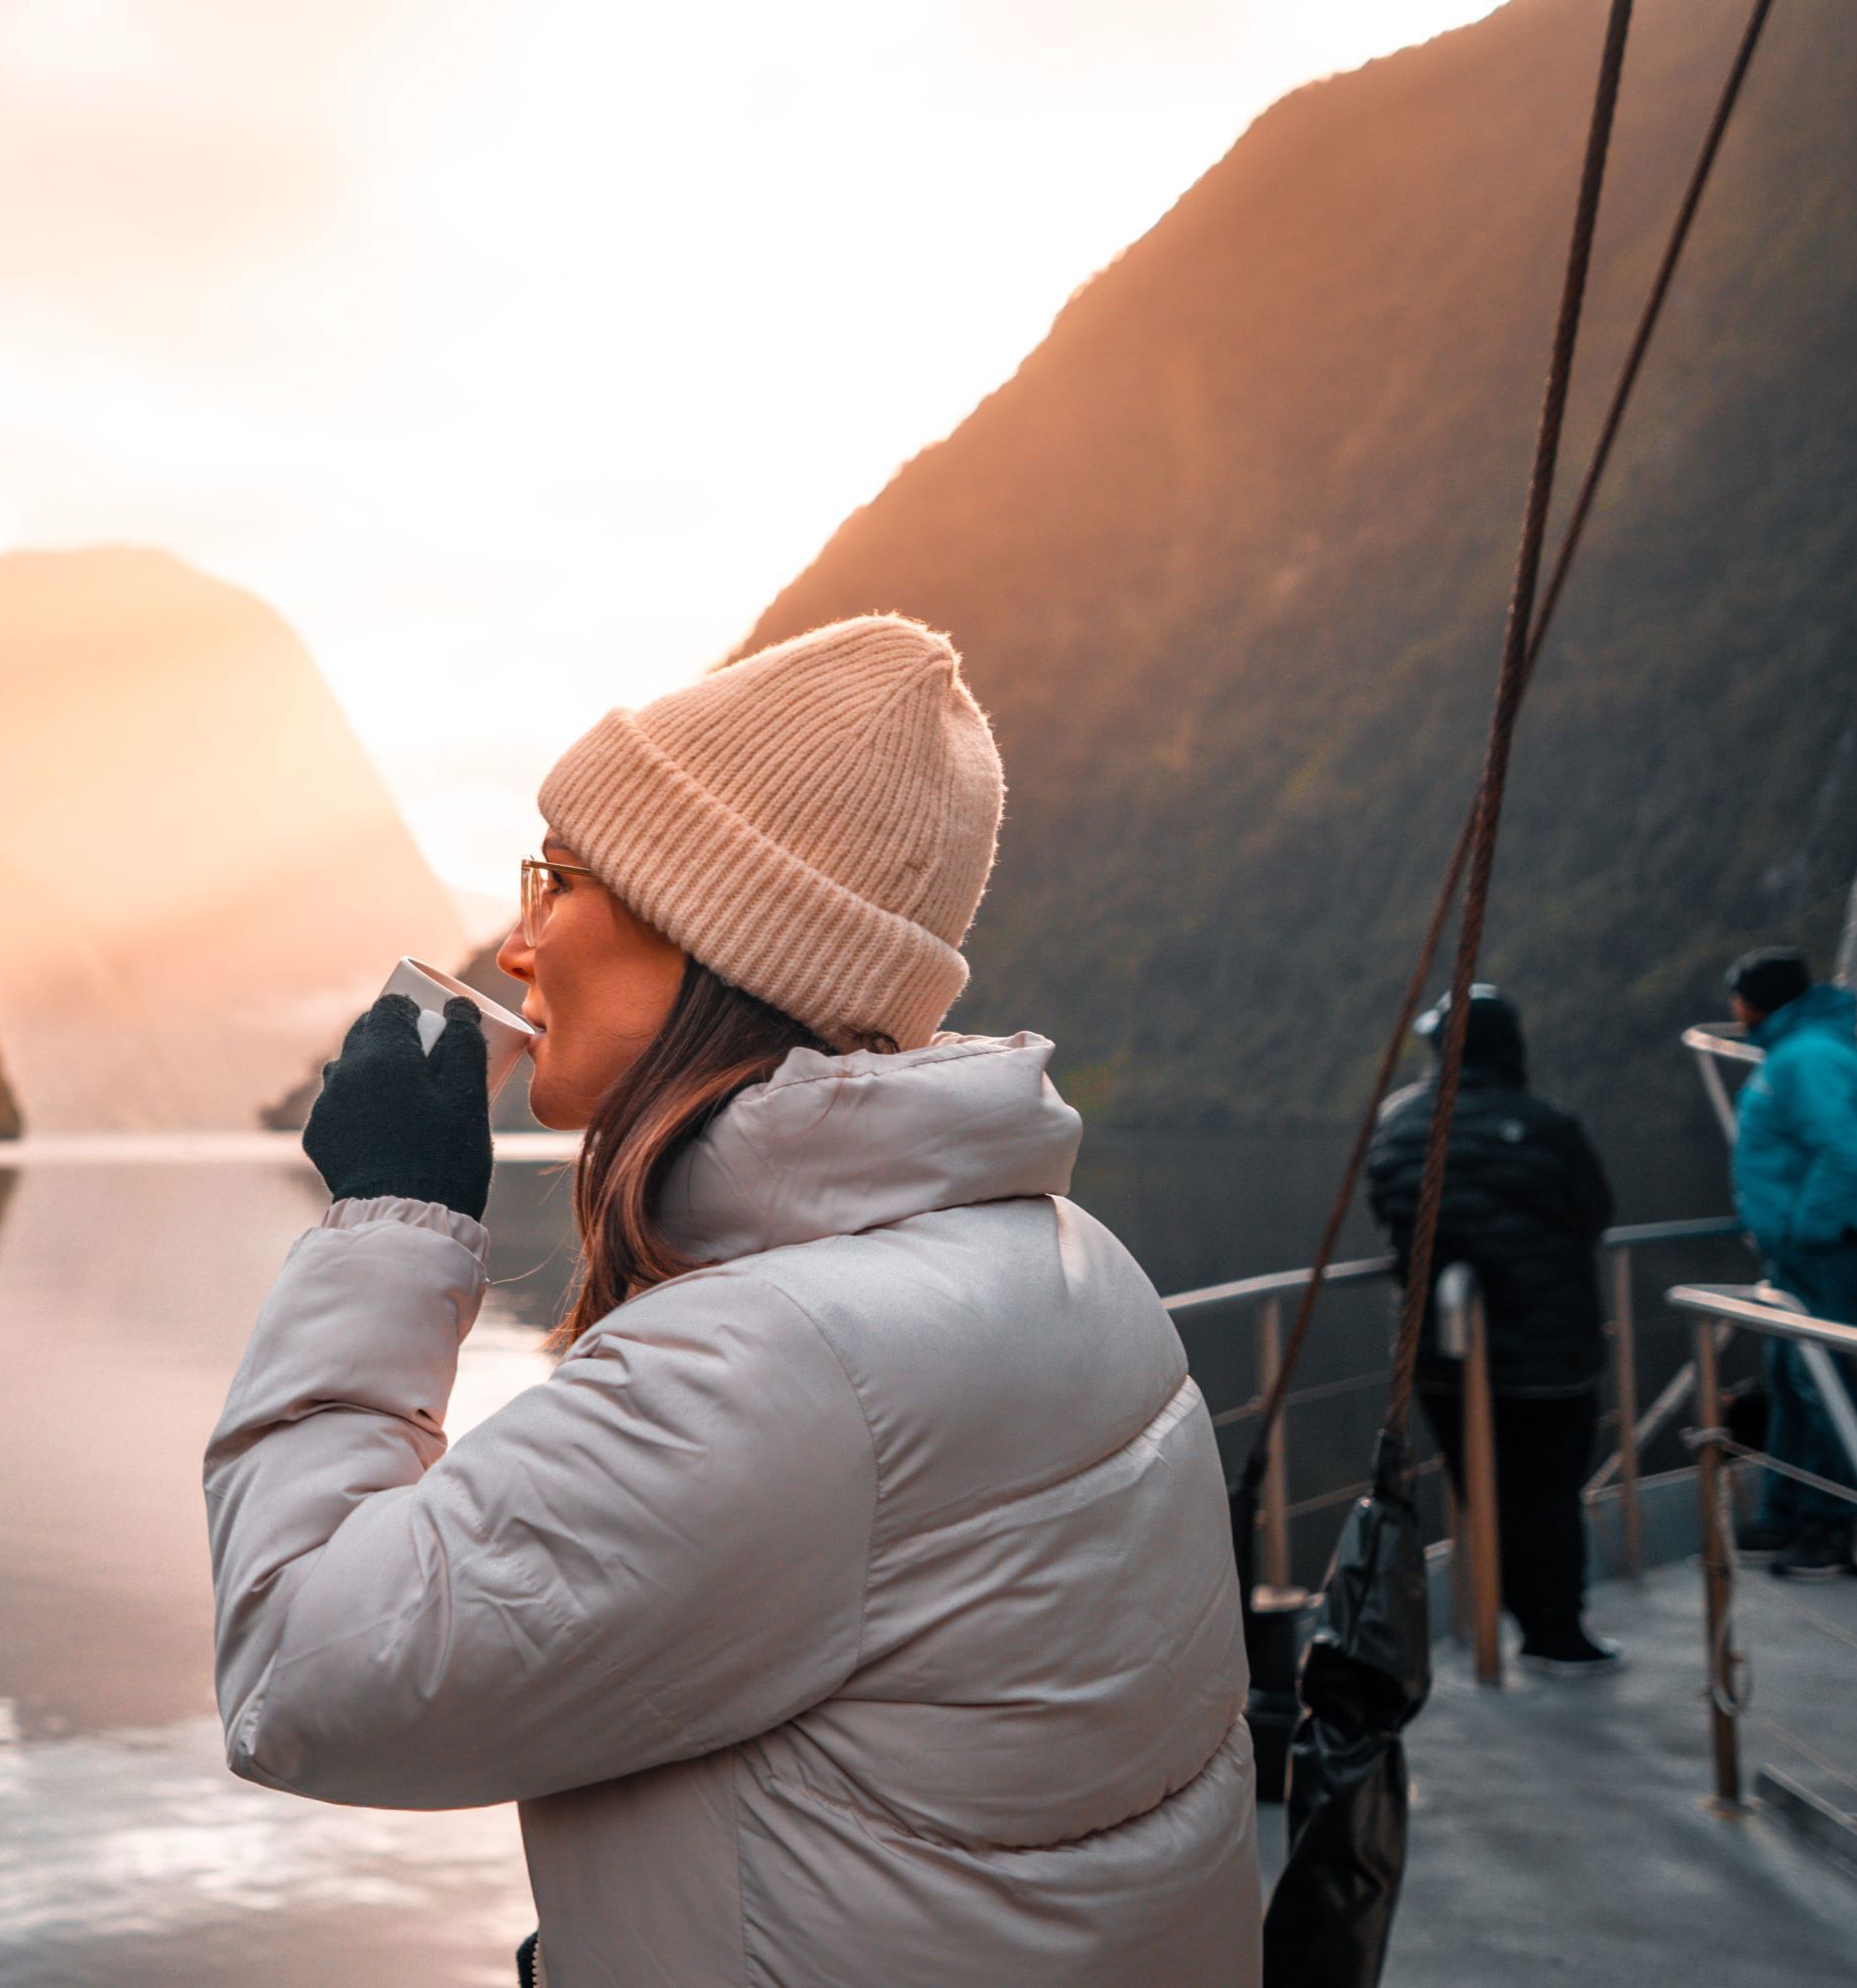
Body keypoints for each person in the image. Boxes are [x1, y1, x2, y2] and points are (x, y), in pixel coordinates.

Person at [205, 616, 1254, 1986]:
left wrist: (386, 1227)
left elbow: (298, 1676)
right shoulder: (1064, 1257)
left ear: (715, 934)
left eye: (559, 880)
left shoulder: (770, 1363)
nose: (517, 947)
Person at [1364, 985, 1622, 1671]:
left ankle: (1505, 1623)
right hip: (1550, 1356)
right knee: (1550, 1495)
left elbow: (1391, 1218)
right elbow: (1594, 1213)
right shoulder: (1549, 1127)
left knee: (1483, 1491)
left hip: (1443, 1357)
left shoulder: (1396, 1124)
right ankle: (1556, 1632)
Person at [1724, 946, 1857, 1581]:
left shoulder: (1811, 1057)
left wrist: (1806, 1232)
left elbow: (1846, 1154)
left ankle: (1828, 1528)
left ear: (1756, 1000)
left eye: (1737, 995)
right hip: (1803, 1253)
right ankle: (1787, 1513)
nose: (1732, 1008)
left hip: (1829, 1249)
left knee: (1823, 1388)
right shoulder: (1797, 1051)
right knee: (1793, 1384)